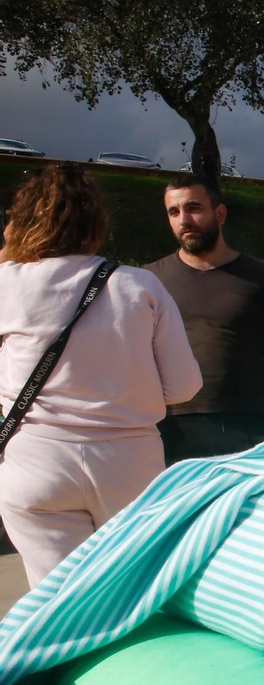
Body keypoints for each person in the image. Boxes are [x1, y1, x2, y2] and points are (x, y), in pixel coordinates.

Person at [0, 165, 201, 585]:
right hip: (130, 462)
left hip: (35, 461)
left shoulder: (6, 283)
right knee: (132, 590)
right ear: (96, 223)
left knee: (58, 600)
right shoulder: (139, 285)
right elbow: (185, 385)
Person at [146, 175, 264, 464]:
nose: (184, 220)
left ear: (219, 214)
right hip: (168, 427)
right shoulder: (149, 280)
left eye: (193, 208)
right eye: (174, 212)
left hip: (247, 425)